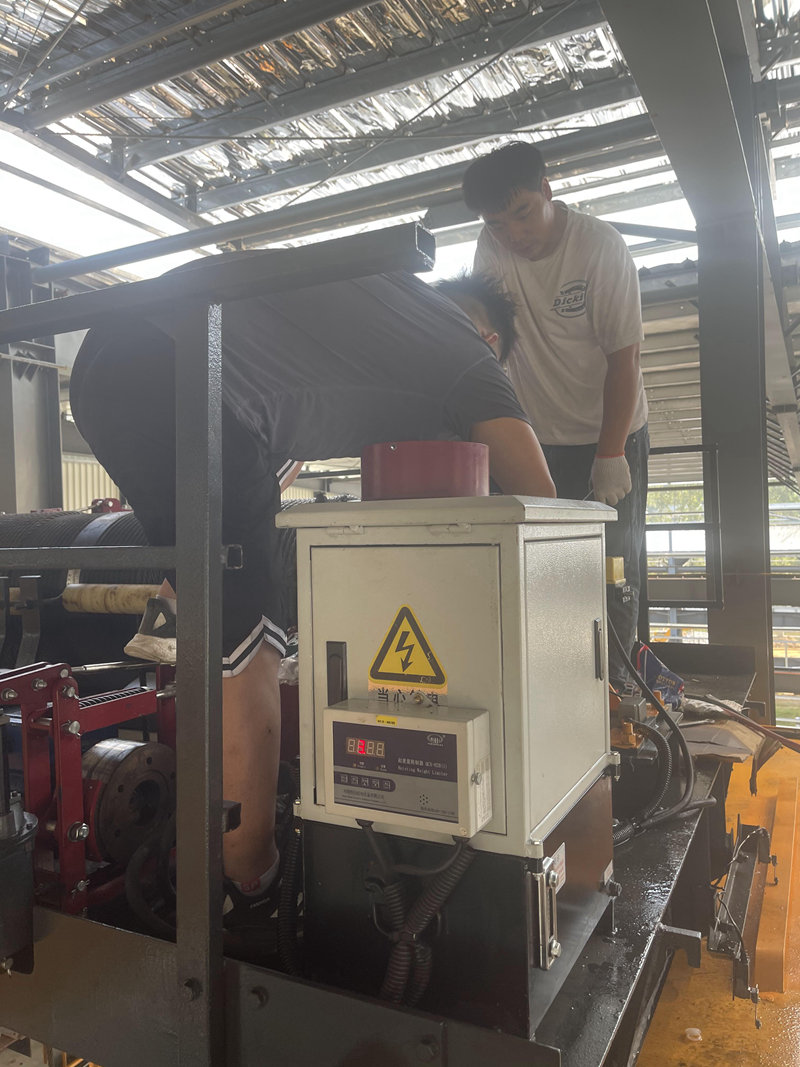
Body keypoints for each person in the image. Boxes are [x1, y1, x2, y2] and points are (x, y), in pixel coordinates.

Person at [69, 263, 555, 924]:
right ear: (492, 339)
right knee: (251, 649)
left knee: (214, 594)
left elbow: (268, 451)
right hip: (181, 370)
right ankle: (248, 879)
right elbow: (542, 504)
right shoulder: (471, 355)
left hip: (106, 360)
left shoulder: (380, 309)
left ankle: (179, 644)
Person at [462, 142, 649, 688]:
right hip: (537, 433)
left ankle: (615, 691)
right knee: (538, 559)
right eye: (497, 224)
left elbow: (624, 360)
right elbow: (487, 336)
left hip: (609, 431)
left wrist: (610, 453)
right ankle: (548, 684)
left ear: (547, 191)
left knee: (613, 566)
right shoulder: (490, 247)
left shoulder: (599, 247)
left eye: (523, 213)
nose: (513, 234)